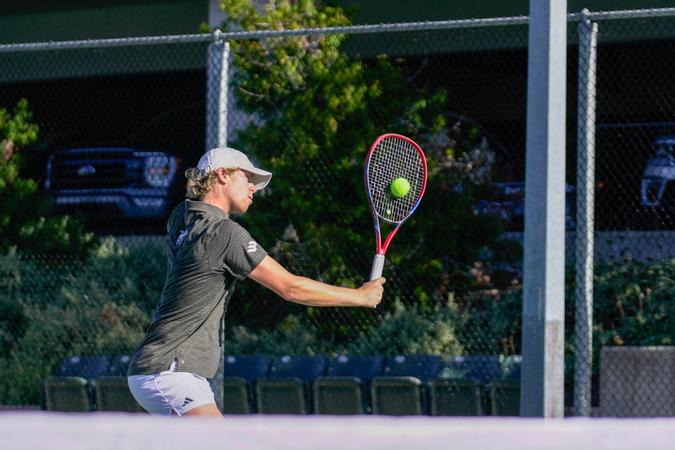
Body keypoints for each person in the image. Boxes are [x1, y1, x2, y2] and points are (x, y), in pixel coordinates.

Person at [127, 147, 386, 417]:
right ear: (222, 175)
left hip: (166, 370)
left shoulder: (182, 218)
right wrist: (360, 296)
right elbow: (290, 287)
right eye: (247, 178)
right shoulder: (224, 233)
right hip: (170, 371)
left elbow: (193, 205)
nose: (254, 188)